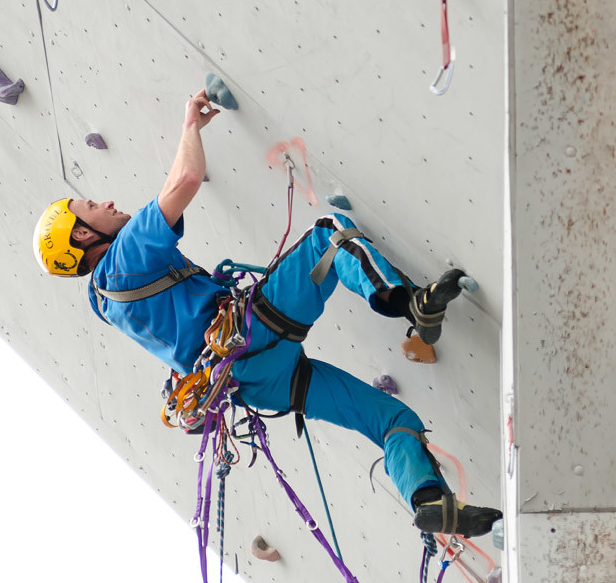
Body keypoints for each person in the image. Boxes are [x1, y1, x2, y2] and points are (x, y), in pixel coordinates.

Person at [33, 90, 501, 538]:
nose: (107, 203)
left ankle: (428, 502)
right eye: (91, 208)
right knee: (329, 238)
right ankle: (410, 304)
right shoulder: (122, 261)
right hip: (248, 335)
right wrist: (190, 125)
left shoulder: (106, 303)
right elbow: (184, 180)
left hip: (257, 384)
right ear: (80, 239)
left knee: (389, 418)